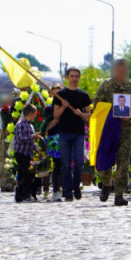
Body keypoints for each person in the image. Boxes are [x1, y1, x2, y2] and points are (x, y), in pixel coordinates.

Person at [94, 59, 131, 206]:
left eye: (123, 69)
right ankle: (107, 184)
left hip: (126, 131)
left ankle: (119, 194)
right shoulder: (106, 85)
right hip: (108, 130)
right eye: (118, 69)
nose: (121, 72)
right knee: (106, 160)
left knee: (123, 163)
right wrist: (109, 111)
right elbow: (97, 104)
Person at [53, 67, 91, 202]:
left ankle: (76, 187)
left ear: (79, 78)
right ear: (67, 78)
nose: (74, 78)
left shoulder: (84, 95)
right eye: (72, 76)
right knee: (66, 164)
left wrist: (81, 114)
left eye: (76, 76)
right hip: (64, 133)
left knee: (79, 162)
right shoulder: (60, 95)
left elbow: (90, 116)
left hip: (79, 133)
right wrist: (63, 106)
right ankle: (67, 191)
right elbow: (55, 115)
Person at [14, 104, 41, 203]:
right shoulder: (20, 124)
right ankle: (24, 194)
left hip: (28, 153)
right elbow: (20, 139)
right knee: (27, 173)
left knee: (23, 174)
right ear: (30, 114)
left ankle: (20, 196)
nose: (35, 116)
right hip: (21, 153)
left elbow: (31, 141)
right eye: (35, 114)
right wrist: (33, 136)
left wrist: (37, 148)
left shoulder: (31, 125)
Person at [43, 83, 63, 202]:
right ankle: (56, 189)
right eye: (54, 92)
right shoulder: (49, 108)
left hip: (65, 137)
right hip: (54, 139)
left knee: (66, 165)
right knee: (56, 165)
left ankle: (66, 189)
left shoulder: (67, 106)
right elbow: (48, 126)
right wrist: (57, 118)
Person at [0, 97, 16, 192]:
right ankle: (3, 183)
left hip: (12, 140)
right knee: (2, 162)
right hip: (3, 140)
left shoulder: (14, 112)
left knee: (11, 162)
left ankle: (11, 183)